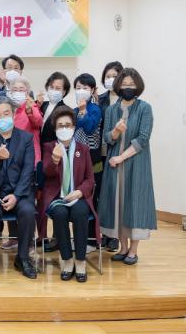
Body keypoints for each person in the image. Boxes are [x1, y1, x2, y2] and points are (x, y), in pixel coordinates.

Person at [98, 68, 156, 265]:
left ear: (138, 86)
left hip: (135, 163)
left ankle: (133, 250)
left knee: (134, 204)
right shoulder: (111, 110)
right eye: (124, 84)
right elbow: (106, 138)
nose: (128, 87)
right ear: (118, 86)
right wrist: (115, 131)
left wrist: (121, 157)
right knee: (118, 205)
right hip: (115, 165)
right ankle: (122, 248)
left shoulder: (145, 108)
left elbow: (143, 139)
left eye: (131, 84)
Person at [0, 96, 37, 280]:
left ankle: (22, 258)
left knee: (28, 211)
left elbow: (28, 170)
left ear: (13, 114)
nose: (2, 118)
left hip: (19, 192)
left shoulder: (26, 138)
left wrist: (16, 196)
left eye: (5, 113)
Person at [40, 106, 99, 283]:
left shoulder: (83, 148)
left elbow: (90, 178)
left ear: (73, 127)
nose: (64, 128)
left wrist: (80, 192)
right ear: (55, 128)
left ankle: (80, 260)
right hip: (57, 197)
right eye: (60, 125)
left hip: (78, 195)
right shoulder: (49, 147)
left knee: (80, 212)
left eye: (67, 125)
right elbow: (47, 173)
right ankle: (67, 259)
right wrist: (55, 159)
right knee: (59, 213)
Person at [5, 76, 42, 250]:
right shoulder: (7, 109)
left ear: (28, 92)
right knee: (9, 195)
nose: (18, 92)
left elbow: (38, 122)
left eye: (22, 89)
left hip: (30, 160)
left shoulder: (32, 107)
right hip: (10, 160)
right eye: (15, 89)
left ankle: (29, 239)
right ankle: (14, 237)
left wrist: (29, 109)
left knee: (27, 201)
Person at [37, 71, 71, 252]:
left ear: (64, 91)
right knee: (40, 196)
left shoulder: (65, 110)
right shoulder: (40, 105)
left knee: (56, 196)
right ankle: (41, 236)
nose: (54, 90)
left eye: (58, 88)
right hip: (38, 156)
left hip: (55, 155)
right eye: (51, 87)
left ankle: (57, 237)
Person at [73, 73, 103, 252]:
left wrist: (83, 111)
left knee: (92, 201)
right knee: (79, 201)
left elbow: (90, 128)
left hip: (92, 160)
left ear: (92, 90)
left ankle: (92, 241)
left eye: (85, 88)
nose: (81, 90)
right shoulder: (74, 110)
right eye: (78, 88)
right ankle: (79, 239)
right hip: (77, 160)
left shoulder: (95, 109)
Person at [97, 61, 124, 252]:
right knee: (100, 193)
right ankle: (102, 233)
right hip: (100, 153)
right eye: (108, 76)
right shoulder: (99, 99)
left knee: (115, 194)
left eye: (114, 76)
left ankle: (113, 236)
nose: (111, 79)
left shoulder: (127, 100)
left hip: (118, 153)